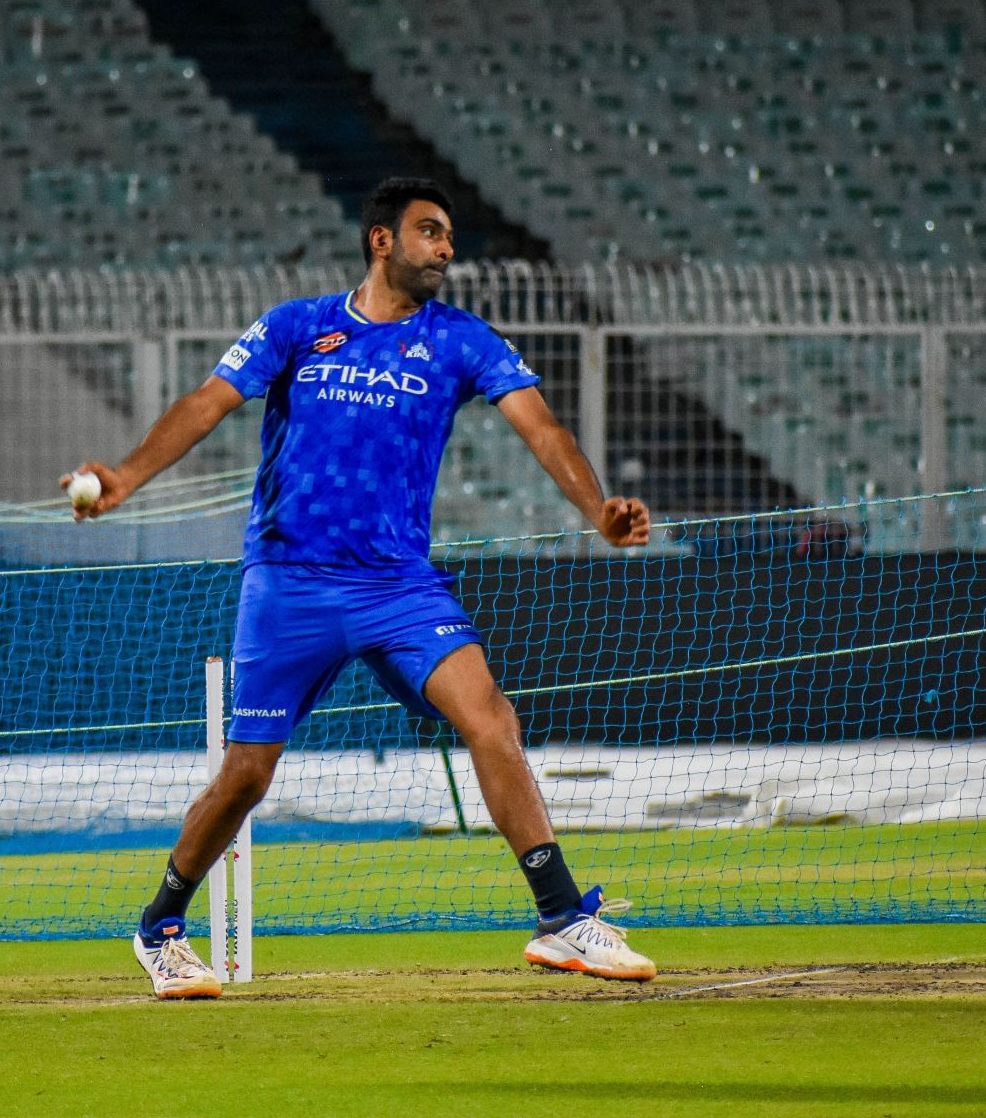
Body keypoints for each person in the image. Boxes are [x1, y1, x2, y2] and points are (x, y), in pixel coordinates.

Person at [64, 177, 655, 999]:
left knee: (490, 718)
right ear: (383, 240)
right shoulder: (298, 326)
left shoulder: (460, 339)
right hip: (291, 581)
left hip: (398, 585)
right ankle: (160, 928)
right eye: (430, 232)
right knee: (248, 773)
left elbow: (542, 427)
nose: (446, 249)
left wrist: (598, 511)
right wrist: (125, 477)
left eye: (449, 236)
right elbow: (206, 403)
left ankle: (560, 916)